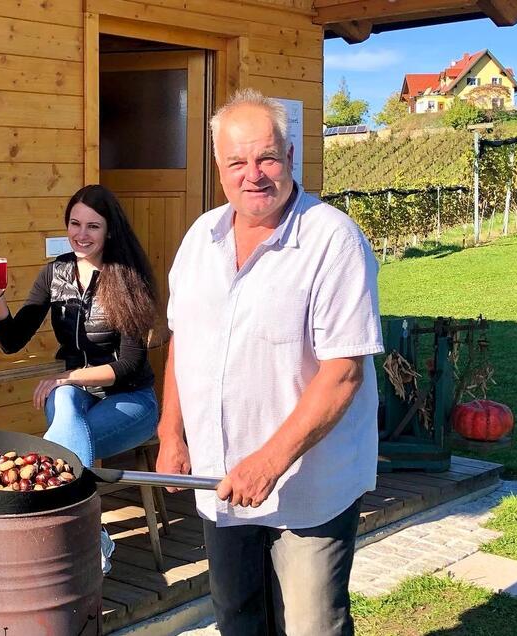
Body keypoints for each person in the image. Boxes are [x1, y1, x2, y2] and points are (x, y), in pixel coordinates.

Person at [156, 89, 384, 636]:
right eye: (237, 161)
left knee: (311, 625)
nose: (253, 174)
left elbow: (343, 372)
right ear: (219, 166)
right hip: (221, 479)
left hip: (309, 485)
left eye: (267, 158)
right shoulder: (198, 239)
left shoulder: (333, 239)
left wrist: (268, 462)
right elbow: (181, 338)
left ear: (289, 158)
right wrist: (171, 435)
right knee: (237, 617)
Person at [0, 185, 160, 570]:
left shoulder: (129, 278)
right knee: (65, 406)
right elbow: (14, 340)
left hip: (130, 401)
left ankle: (52, 528)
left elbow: (129, 365)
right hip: (74, 399)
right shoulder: (56, 272)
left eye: (93, 226)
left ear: (110, 230)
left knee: (59, 444)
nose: (81, 234)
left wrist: (68, 376)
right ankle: (88, 535)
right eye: (74, 224)